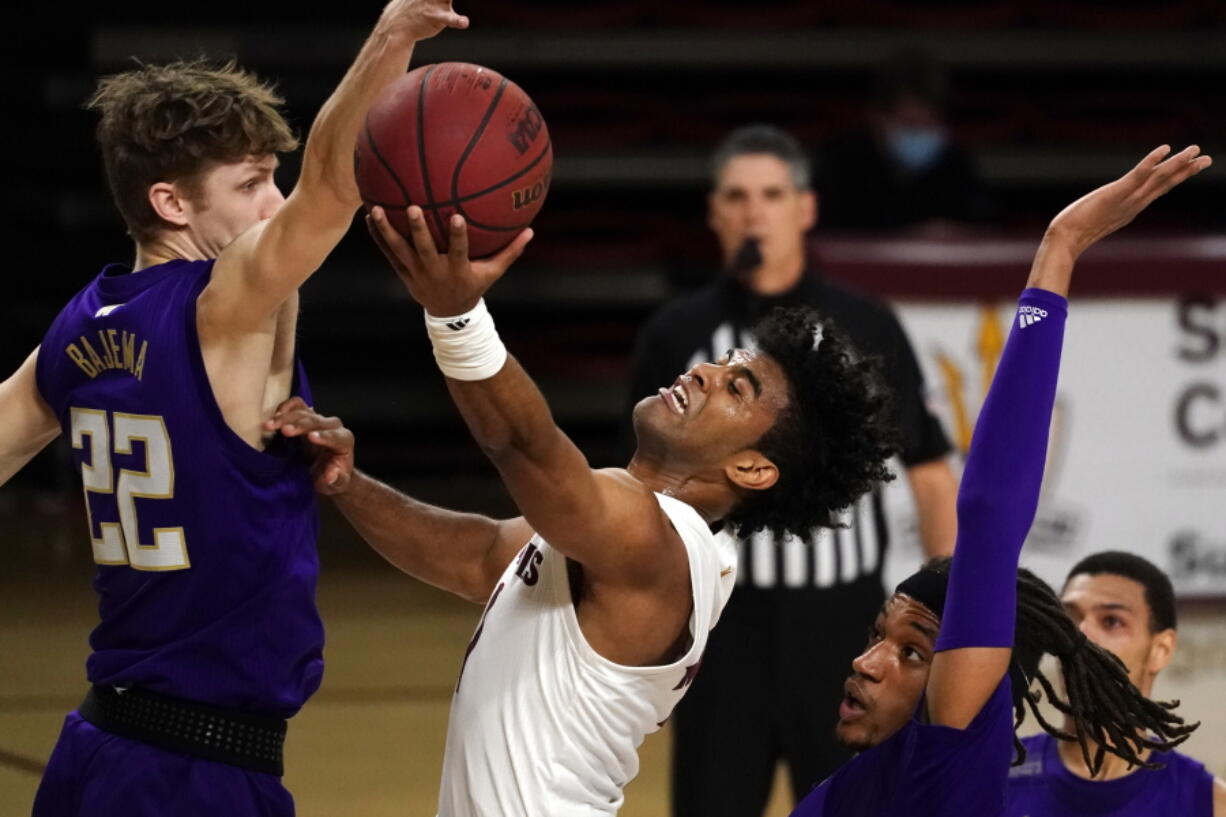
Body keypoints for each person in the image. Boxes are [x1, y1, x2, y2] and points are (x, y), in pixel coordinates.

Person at [265, 194, 899, 816]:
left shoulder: (658, 539)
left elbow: (522, 444)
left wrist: (455, 315)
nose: (706, 372)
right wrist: (346, 484)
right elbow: (481, 556)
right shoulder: (643, 529)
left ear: (752, 468)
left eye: (738, 387)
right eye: (721, 362)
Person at [0, 3, 468, 815]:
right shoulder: (223, 307)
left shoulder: (80, 326)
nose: (272, 203)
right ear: (172, 204)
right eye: (250, 184)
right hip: (194, 771)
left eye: (272, 179)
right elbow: (332, 183)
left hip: (99, 746)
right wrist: (391, 40)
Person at [789, 144, 1211, 817]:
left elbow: (988, 511)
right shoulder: (840, 795)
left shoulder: (948, 759)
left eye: (913, 651)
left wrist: (1060, 249)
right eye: (879, 636)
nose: (867, 662)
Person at [624, 123, 959, 814]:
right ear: (714, 211)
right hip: (717, 632)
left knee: (855, 804)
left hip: (841, 628)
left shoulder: (866, 324)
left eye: (772, 194)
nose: (755, 212)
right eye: (738, 196)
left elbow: (928, 470)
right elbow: (637, 486)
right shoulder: (674, 334)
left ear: (805, 209)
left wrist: (947, 618)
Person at [1005, 550, 1226, 816]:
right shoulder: (995, 778)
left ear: (1161, 650)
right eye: (1070, 618)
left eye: (1111, 621)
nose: (1080, 634)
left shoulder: (1210, 803)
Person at [815, 48, 993, 231]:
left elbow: (982, 230)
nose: (920, 133)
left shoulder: (956, 165)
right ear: (878, 118)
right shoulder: (841, 165)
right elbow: (828, 237)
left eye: (929, 124)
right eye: (910, 123)